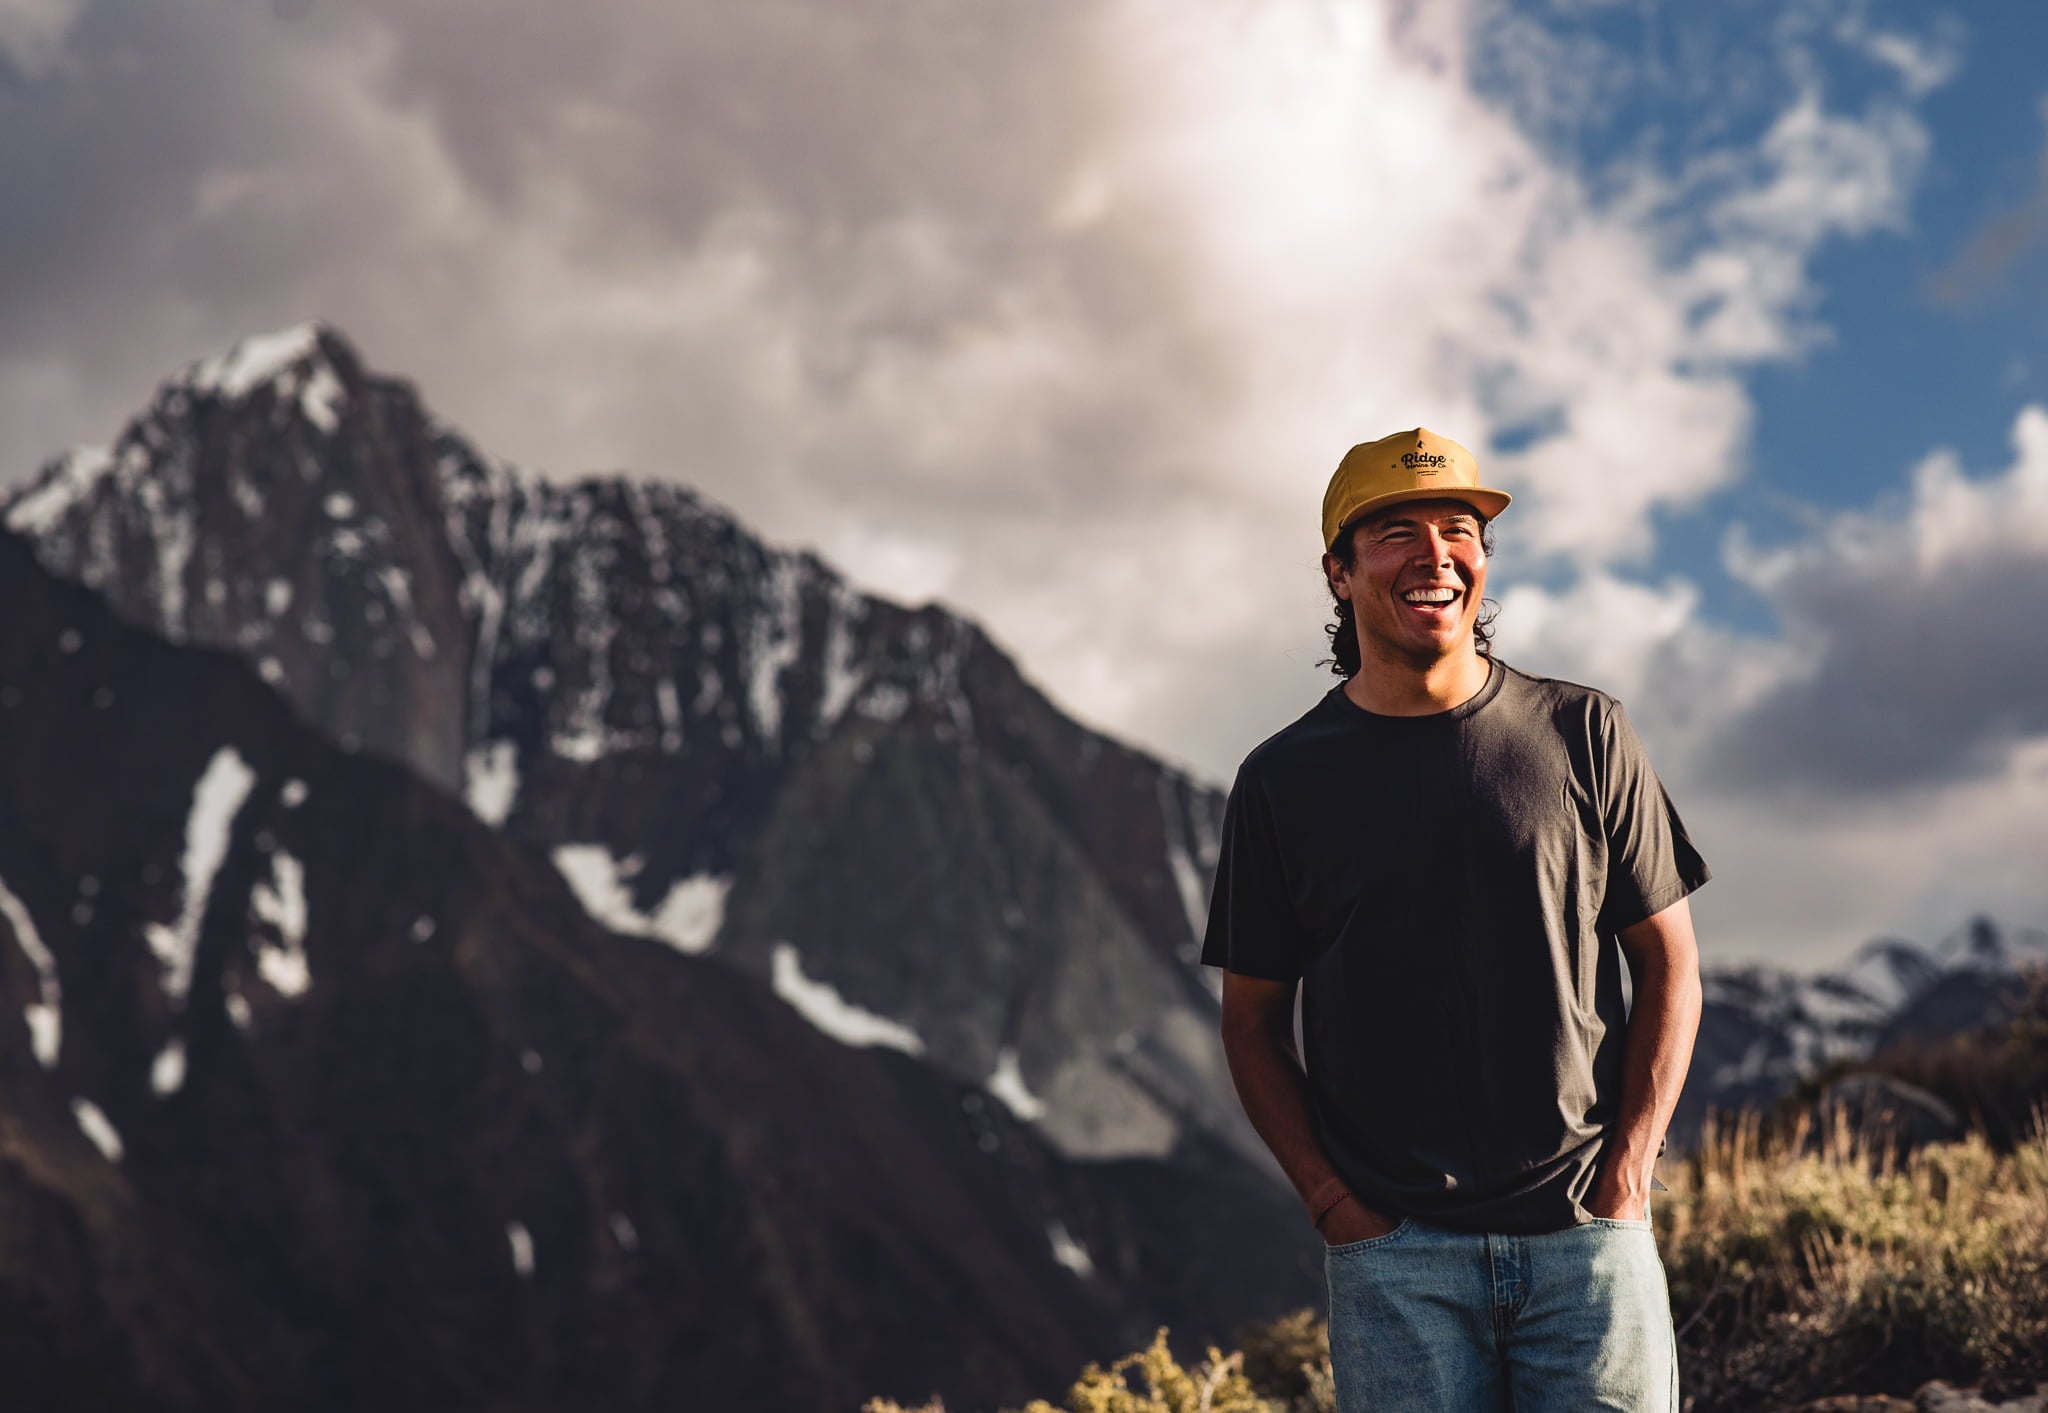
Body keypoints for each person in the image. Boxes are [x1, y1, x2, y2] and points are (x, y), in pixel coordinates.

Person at [1199, 427, 1709, 1411]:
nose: (1434, 554)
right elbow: (1250, 1024)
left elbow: (1671, 968)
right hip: (1397, 1268)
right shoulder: (1281, 783)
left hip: (1585, 1248)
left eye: (1457, 527)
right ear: (1337, 575)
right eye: (1394, 531)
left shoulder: (1584, 733)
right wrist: (1335, 1208)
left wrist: (1627, 1179)